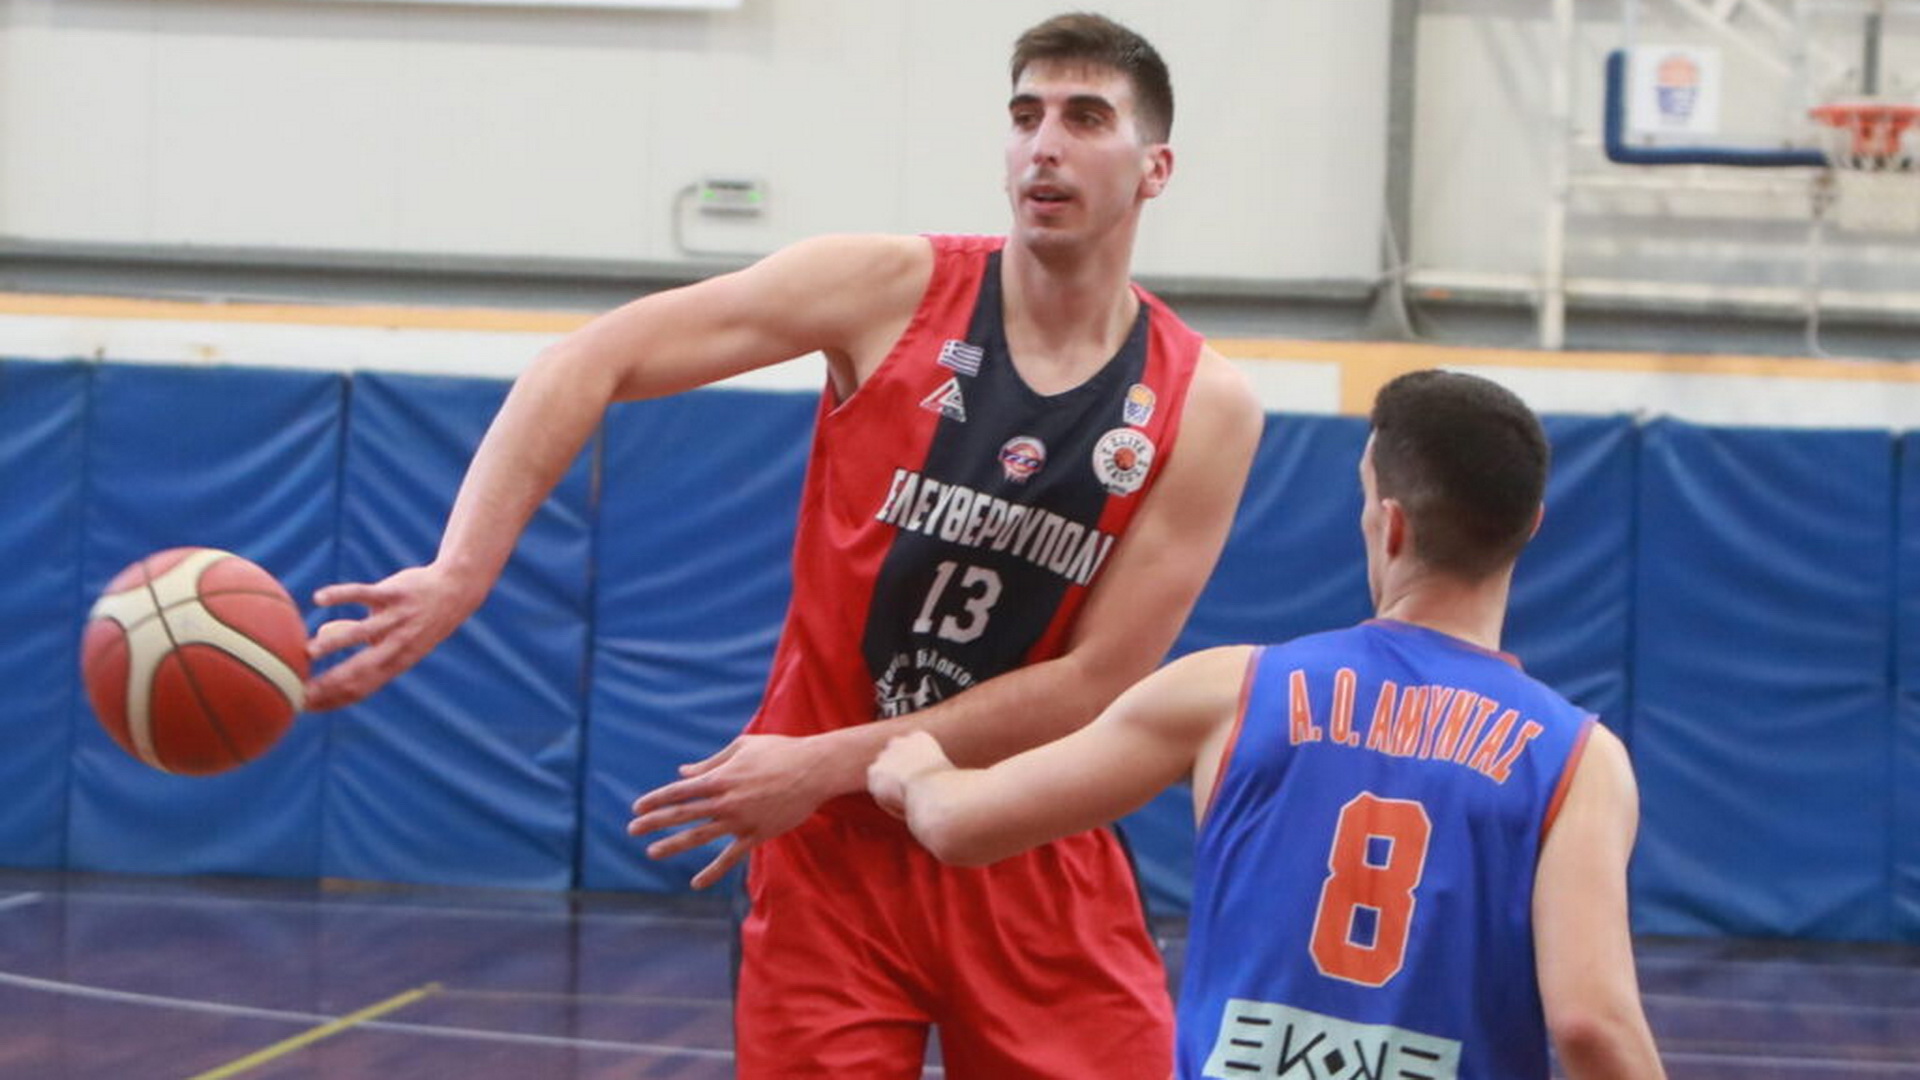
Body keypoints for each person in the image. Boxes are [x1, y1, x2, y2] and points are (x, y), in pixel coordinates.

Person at [304, 12, 1262, 1079]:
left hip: (1023, 837)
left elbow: (1095, 685)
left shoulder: (1203, 404)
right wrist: (458, 572)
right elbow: (589, 358)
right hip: (830, 867)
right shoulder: (887, 289)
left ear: (1154, 168)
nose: (1045, 145)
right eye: (1025, 115)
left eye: (1085, 119)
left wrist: (822, 763)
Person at [869, 370, 1667, 1080]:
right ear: (1531, 525)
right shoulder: (1577, 759)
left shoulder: (1231, 691)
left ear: (1389, 524)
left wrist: (918, 770)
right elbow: (1590, 1024)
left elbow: (964, 826)